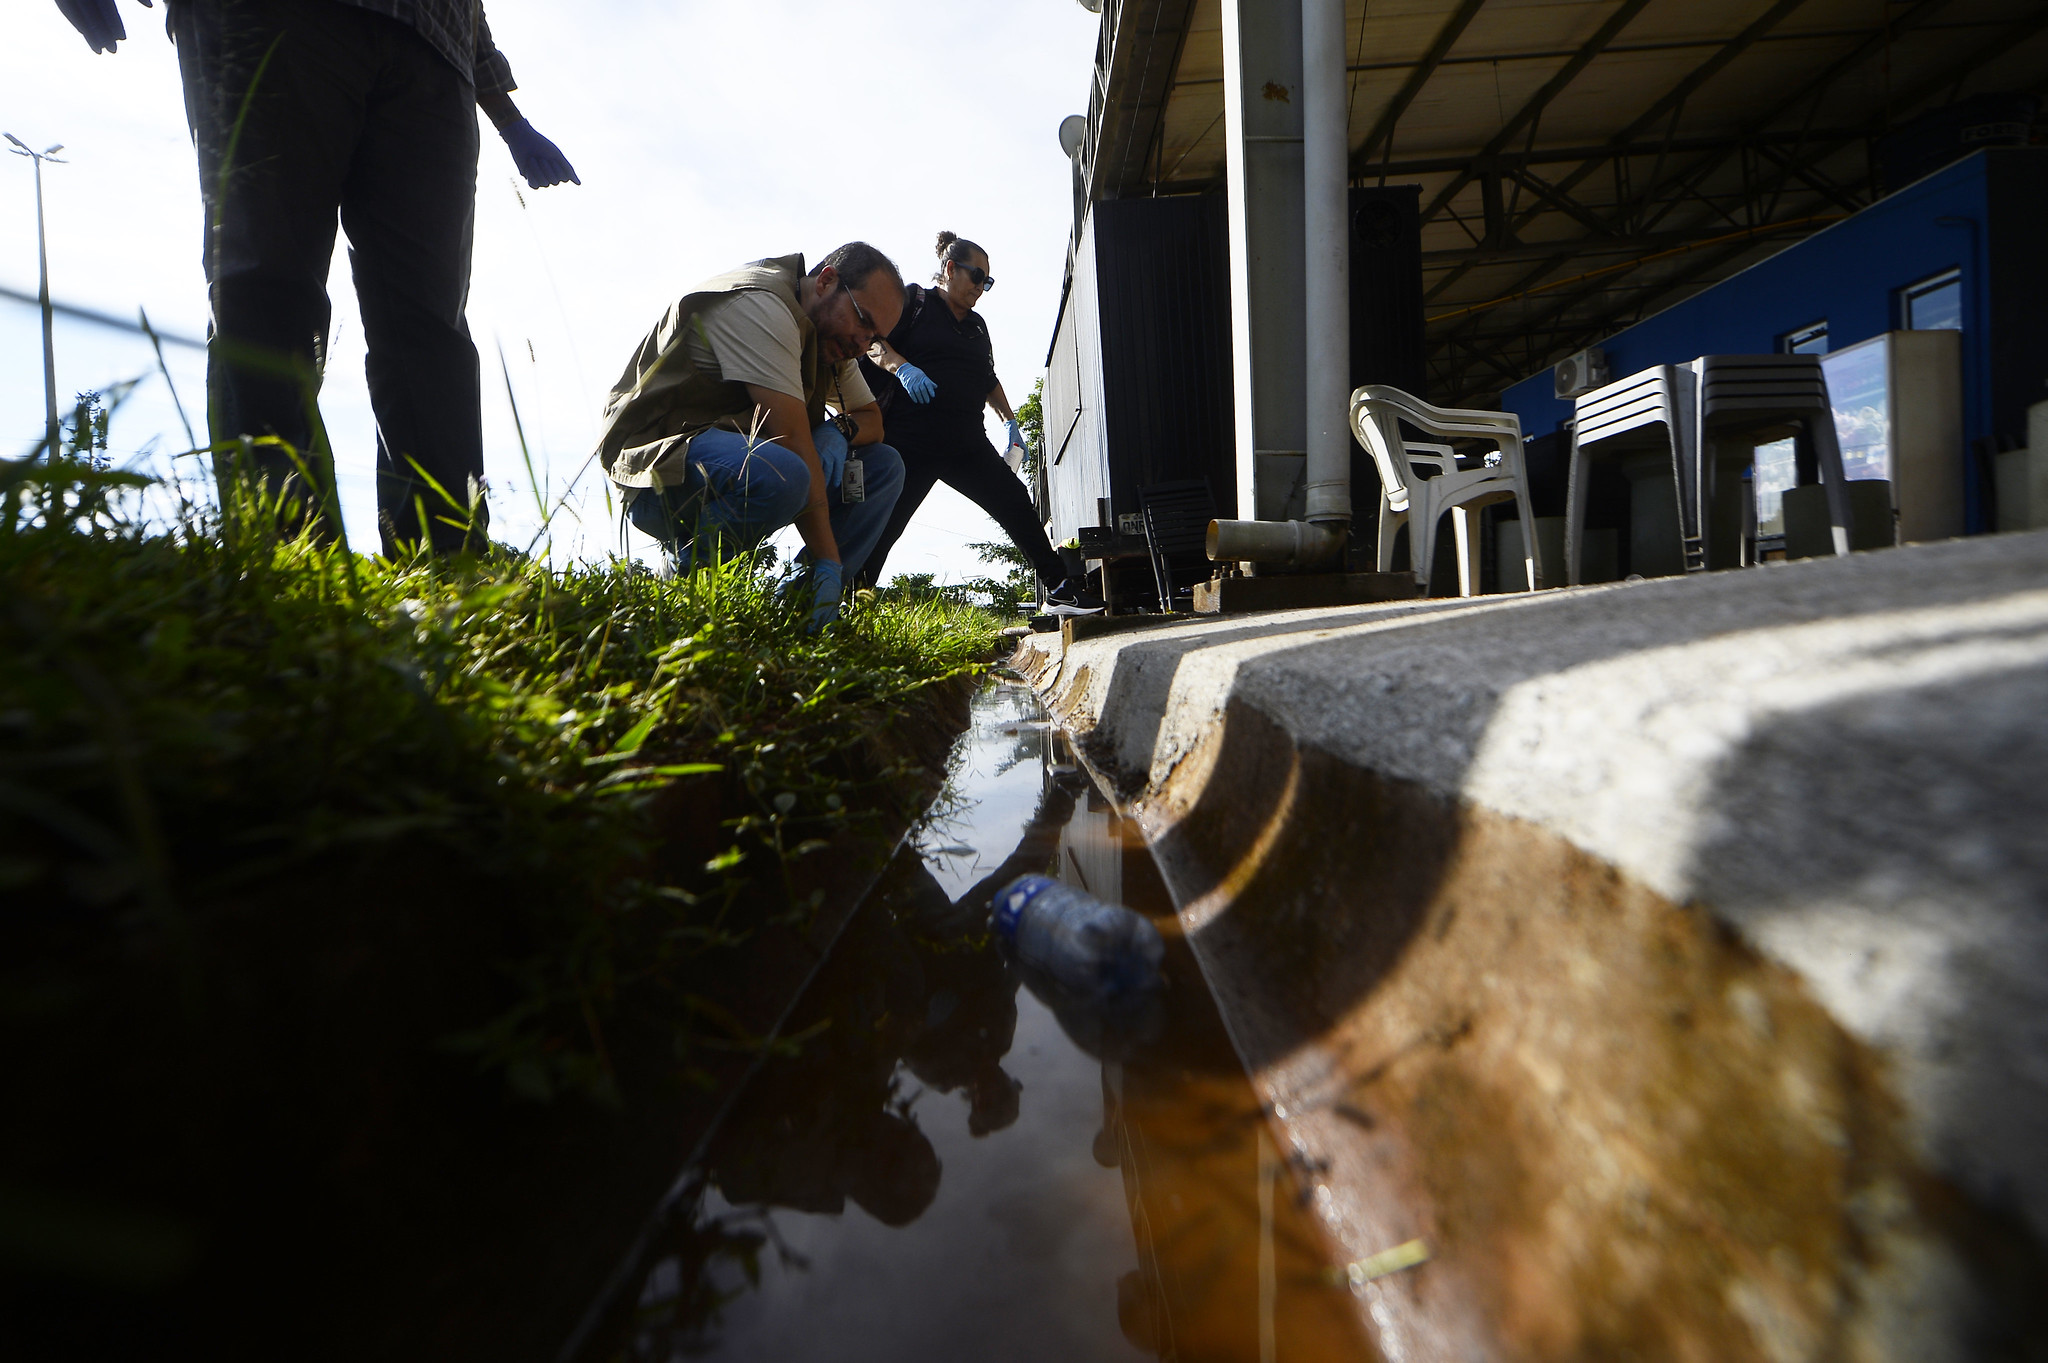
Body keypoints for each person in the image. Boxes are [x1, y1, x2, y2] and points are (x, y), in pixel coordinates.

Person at [53, 0, 579, 557]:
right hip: (272, 16)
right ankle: (284, 548)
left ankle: (446, 554)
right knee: (266, 282)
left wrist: (513, 123)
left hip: (434, 46)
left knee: (430, 322)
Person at [596, 244, 907, 629]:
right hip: (656, 475)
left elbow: (871, 419)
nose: (863, 344)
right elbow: (791, 442)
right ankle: (683, 579)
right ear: (827, 281)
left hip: (742, 462)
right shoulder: (765, 307)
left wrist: (838, 431)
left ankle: (800, 608)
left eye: (874, 337)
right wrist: (830, 559)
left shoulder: (833, 340)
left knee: (883, 466)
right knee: (786, 472)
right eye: (863, 321)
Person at [861, 231, 1096, 607]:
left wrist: (1009, 423)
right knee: (884, 527)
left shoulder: (977, 326)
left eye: (987, 281)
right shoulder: (914, 302)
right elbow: (872, 342)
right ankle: (851, 604)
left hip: (966, 442)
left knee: (1015, 502)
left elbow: (988, 379)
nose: (981, 288)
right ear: (950, 269)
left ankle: (1059, 588)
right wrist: (903, 368)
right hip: (911, 440)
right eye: (976, 277)